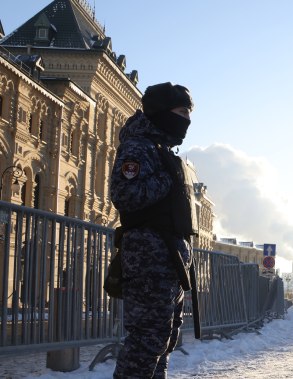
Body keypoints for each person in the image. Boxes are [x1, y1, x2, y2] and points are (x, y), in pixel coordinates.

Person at [109, 82, 197, 378]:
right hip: (149, 258)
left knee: (163, 339)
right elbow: (125, 195)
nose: (187, 118)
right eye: (182, 110)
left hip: (167, 259)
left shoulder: (160, 149)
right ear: (162, 111)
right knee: (146, 341)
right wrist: (168, 180)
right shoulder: (138, 147)